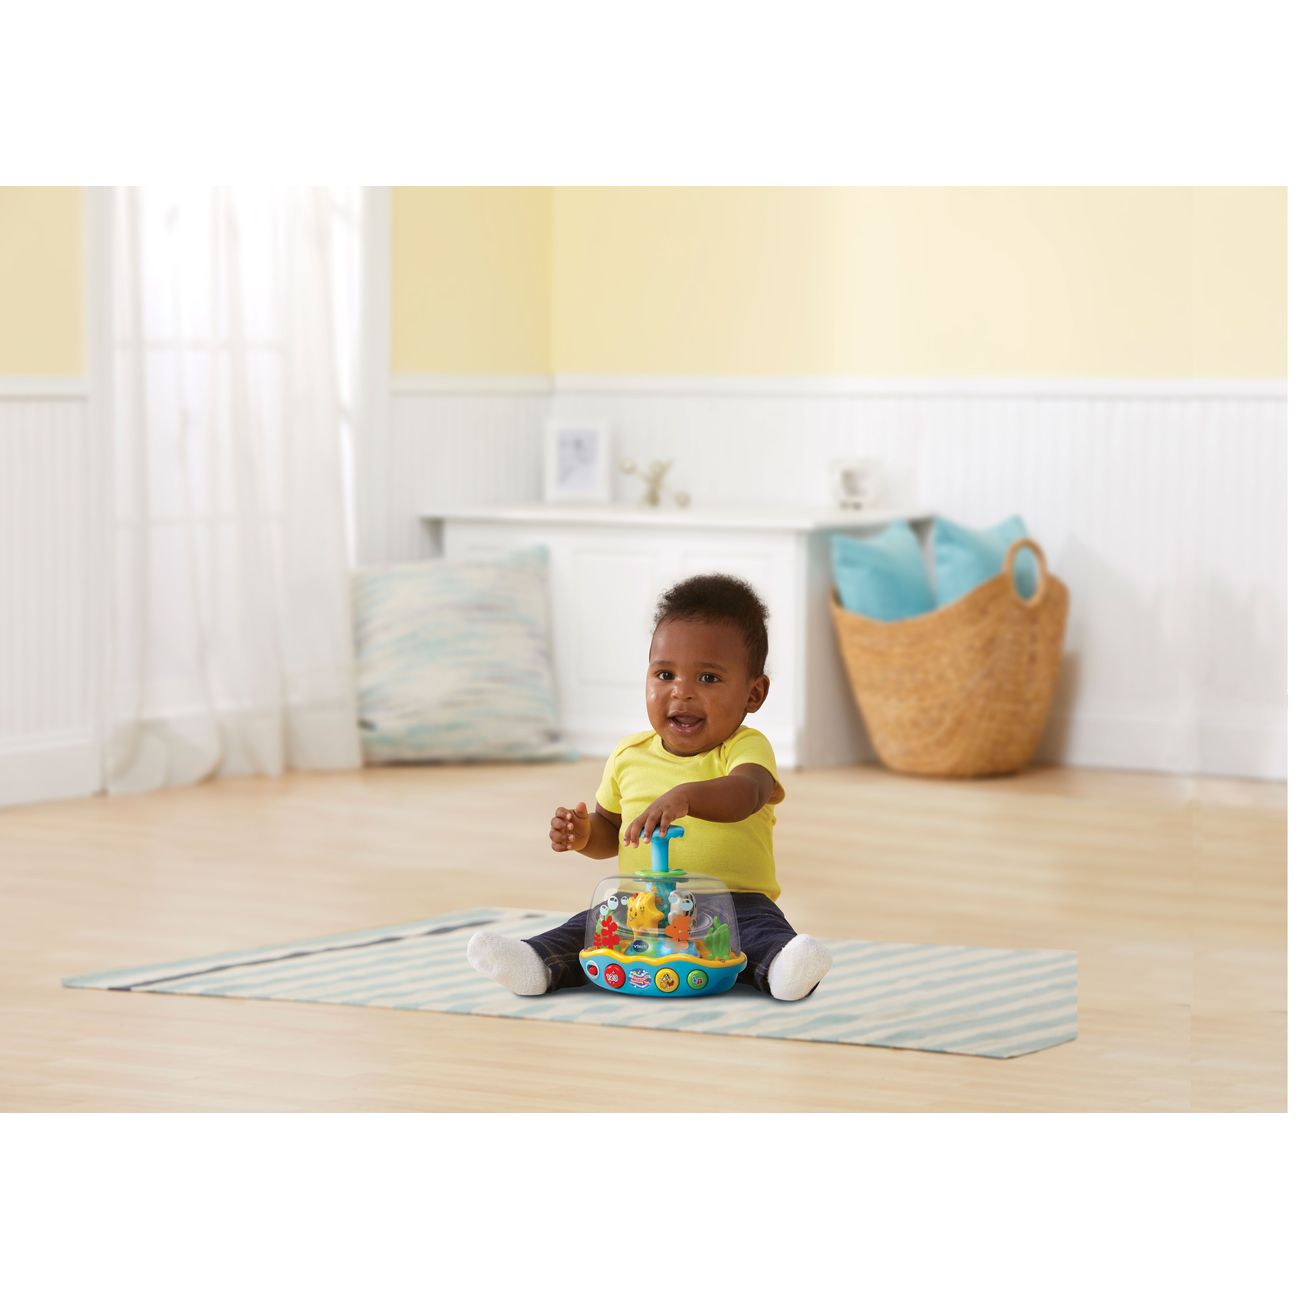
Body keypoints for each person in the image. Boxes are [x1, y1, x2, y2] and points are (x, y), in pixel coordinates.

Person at [466, 573, 833, 1000]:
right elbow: (611, 830)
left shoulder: (745, 748)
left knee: (761, 934)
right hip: (643, 906)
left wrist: (686, 796)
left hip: (736, 903)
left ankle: (785, 968)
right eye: (665, 674)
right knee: (592, 924)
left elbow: (745, 794)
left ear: (753, 694)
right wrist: (584, 835)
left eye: (708, 678)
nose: (681, 692)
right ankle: (536, 961)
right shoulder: (629, 755)